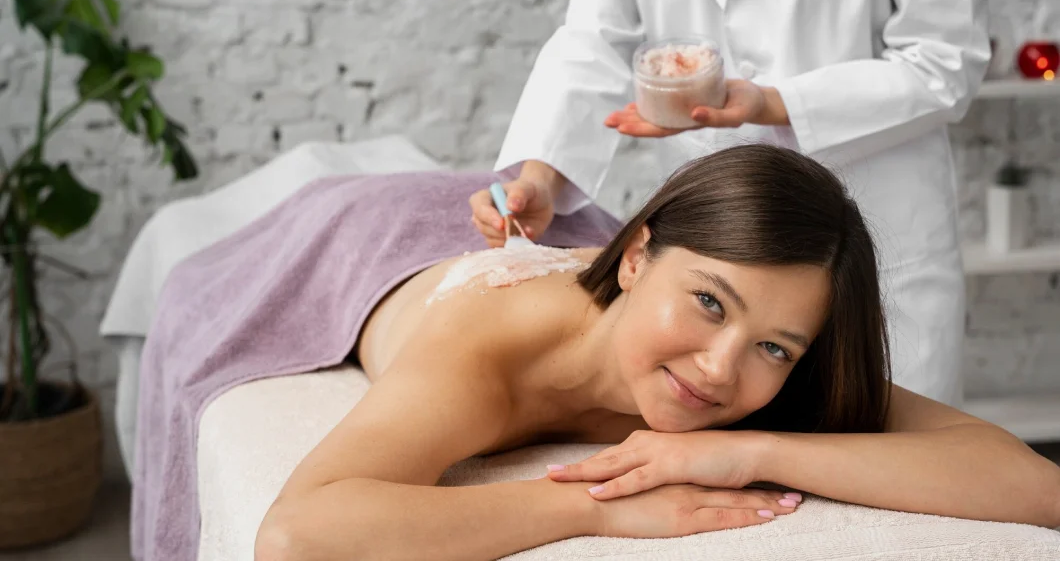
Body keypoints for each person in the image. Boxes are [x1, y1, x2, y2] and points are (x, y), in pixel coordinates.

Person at [255, 146, 1060, 561]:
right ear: (636, 258)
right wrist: (589, 508)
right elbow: (298, 535)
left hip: (580, 240)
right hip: (377, 232)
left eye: (774, 347)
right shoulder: (488, 351)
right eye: (709, 303)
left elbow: (1037, 486)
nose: (720, 369)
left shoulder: (767, 348)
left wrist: (751, 452)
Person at [470, 0, 992, 408]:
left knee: (893, 451)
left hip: (879, 225)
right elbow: (595, 39)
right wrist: (540, 177)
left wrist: (773, 102)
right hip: (719, 236)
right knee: (721, 461)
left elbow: (944, 62)